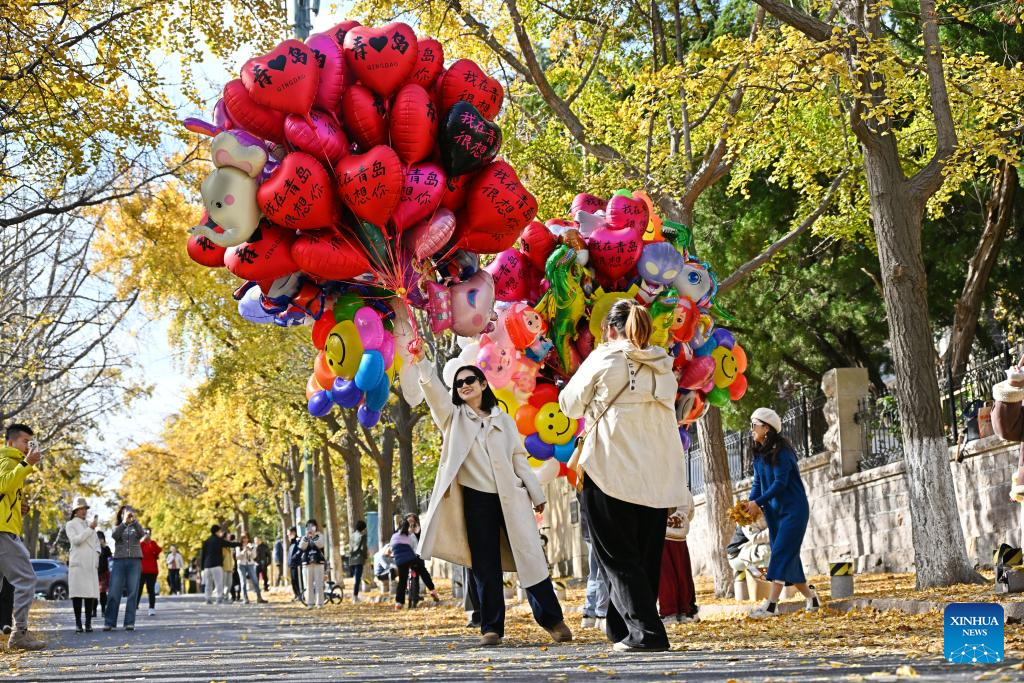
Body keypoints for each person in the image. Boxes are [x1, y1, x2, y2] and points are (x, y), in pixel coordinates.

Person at [560, 300, 693, 652]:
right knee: (645, 556)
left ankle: (647, 634)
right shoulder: (664, 365)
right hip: (657, 474)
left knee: (618, 557)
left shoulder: (605, 358)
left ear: (610, 329)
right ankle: (621, 629)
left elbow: (569, 404)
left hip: (611, 469)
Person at [414, 353, 571, 647]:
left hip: (511, 497)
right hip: (476, 501)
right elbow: (434, 394)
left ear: (484, 383)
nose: (464, 386)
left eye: (470, 380)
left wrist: (536, 494)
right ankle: (491, 627)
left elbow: (518, 460)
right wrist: (423, 363)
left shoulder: (504, 419)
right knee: (484, 566)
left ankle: (552, 620)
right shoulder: (453, 418)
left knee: (531, 558)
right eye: (459, 383)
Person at [741, 407, 820, 618]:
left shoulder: (782, 452)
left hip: (794, 511)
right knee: (788, 558)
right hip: (774, 514)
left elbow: (780, 483)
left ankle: (771, 606)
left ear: (767, 428)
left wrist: (759, 502)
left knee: (779, 554)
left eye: (754, 425)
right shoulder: (758, 454)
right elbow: (758, 483)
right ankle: (811, 596)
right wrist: (750, 504)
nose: (751, 429)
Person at [0, 424, 45, 650]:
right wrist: (27, 463)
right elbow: (3, 484)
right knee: (26, 579)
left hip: (6, 527)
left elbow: (6, 492)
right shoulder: (7, 461)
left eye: (30, 442)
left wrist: (18, 507)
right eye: (25, 441)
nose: (29, 446)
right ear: (10, 442)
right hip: (2, 532)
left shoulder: (12, 463)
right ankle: (20, 634)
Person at [104, 503, 145, 631]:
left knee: (133, 592)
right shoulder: (118, 526)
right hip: (119, 561)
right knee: (114, 592)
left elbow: (141, 534)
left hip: (134, 561)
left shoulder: (136, 526)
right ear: (121, 514)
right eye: (125, 512)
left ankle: (129, 622)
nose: (127, 514)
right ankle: (109, 622)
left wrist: (135, 521)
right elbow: (115, 536)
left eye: (129, 512)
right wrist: (124, 522)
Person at [658, 506, 699, 624]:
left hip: (663, 535)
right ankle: (684, 611)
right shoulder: (684, 490)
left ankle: (669, 612)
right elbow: (690, 511)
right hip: (680, 536)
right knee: (683, 574)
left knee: (665, 575)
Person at [66, 498, 100, 633]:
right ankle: (78, 623)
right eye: (81, 508)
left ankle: (88, 623)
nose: (84, 511)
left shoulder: (88, 525)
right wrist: (90, 529)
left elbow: (97, 543)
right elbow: (76, 541)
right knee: (78, 594)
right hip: (79, 563)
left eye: (85, 509)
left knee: (90, 594)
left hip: (90, 563)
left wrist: (97, 554)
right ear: (75, 511)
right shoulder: (71, 524)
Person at [578, 492, 609, 631]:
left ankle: (589, 614)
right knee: (601, 573)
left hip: (588, 531)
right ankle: (601, 613)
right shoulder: (594, 480)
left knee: (594, 573)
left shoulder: (580, 482)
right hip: (597, 531)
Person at [404, 513, 441, 604]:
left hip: (418, 555)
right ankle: (426, 593)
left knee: (421, 574)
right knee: (418, 574)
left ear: (416, 521)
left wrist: (416, 531)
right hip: (409, 556)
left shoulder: (418, 529)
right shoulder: (404, 529)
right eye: (409, 521)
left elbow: (422, 541)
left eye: (412, 521)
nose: (411, 523)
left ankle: (416, 596)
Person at [200, 525, 240, 605]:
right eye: (219, 531)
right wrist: (239, 544)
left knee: (208, 583)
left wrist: (202, 567)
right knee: (219, 583)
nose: (220, 533)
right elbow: (229, 544)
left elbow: (203, 555)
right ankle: (219, 598)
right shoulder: (218, 540)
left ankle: (208, 598)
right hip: (216, 565)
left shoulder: (206, 541)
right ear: (217, 531)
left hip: (207, 565)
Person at [299, 519, 326, 609]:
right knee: (308, 584)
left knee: (319, 584)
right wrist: (307, 537)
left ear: (316, 527)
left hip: (318, 562)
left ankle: (320, 603)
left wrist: (314, 536)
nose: (310, 528)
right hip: (307, 563)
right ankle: (310, 603)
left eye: (312, 526)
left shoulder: (320, 535)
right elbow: (302, 547)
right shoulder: (304, 537)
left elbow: (321, 544)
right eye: (308, 526)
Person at [236, 534, 267, 604]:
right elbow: (237, 557)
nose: (245, 540)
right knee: (243, 582)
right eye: (243, 538)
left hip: (250, 564)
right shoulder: (238, 546)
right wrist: (244, 551)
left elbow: (254, 556)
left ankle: (259, 597)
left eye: (246, 538)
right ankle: (245, 598)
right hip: (241, 565)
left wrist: (251, 550)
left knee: (255, 581)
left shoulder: (251, 545)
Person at [137, 530, 161, 615]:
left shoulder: (153, 543)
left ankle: (151, 608)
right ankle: (135, 605)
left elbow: (158, 551)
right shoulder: (140, 544)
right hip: (142, 570)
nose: (146, 535)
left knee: (150, 589)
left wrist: (150, 542)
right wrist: (143, 541)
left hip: (152, 571)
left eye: (147, 533)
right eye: (144, 534)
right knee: (139, 588)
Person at [348, 520, 368, 603]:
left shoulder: (352, 535)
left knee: (356, 579)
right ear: (363, 528)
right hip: (359, 559)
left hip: (352, 560)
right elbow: (363, 548)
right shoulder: (362, 536)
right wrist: (365, 556)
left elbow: (350, 548)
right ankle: (355, 597)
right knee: (357, 579)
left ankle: (355, 596)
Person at [95, 531, 112, 618]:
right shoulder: (92, 548)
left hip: (103, 573)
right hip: (94, 573)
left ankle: (103, 610)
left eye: (101, 538)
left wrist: (104, 546)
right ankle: (93, 611)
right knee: (93, 593)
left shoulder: (105, 548)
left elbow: (110, 555)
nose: (99, 540)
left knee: (102, 593)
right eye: (98, 538)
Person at [287, 527, 304, 603]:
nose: (288, 535)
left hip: (297, 564)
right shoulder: (292, 542)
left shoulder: (298, 541)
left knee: (298, 581)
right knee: (293, 581)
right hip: (292, 565)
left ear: (294, 533)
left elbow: (299, 552)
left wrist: (294, 558)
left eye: (289, 533)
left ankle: (301, 595)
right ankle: (296, 595)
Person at [224, 533, 240, 602]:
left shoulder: (231, 546)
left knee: (232, 583)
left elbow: (233, 557)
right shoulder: (224, 546)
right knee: (228, 583)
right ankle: (228, 597)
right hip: (227, 567)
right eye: (228, 537)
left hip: (233, 566)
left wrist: (233, 566)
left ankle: (231, 596)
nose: (229, 539)